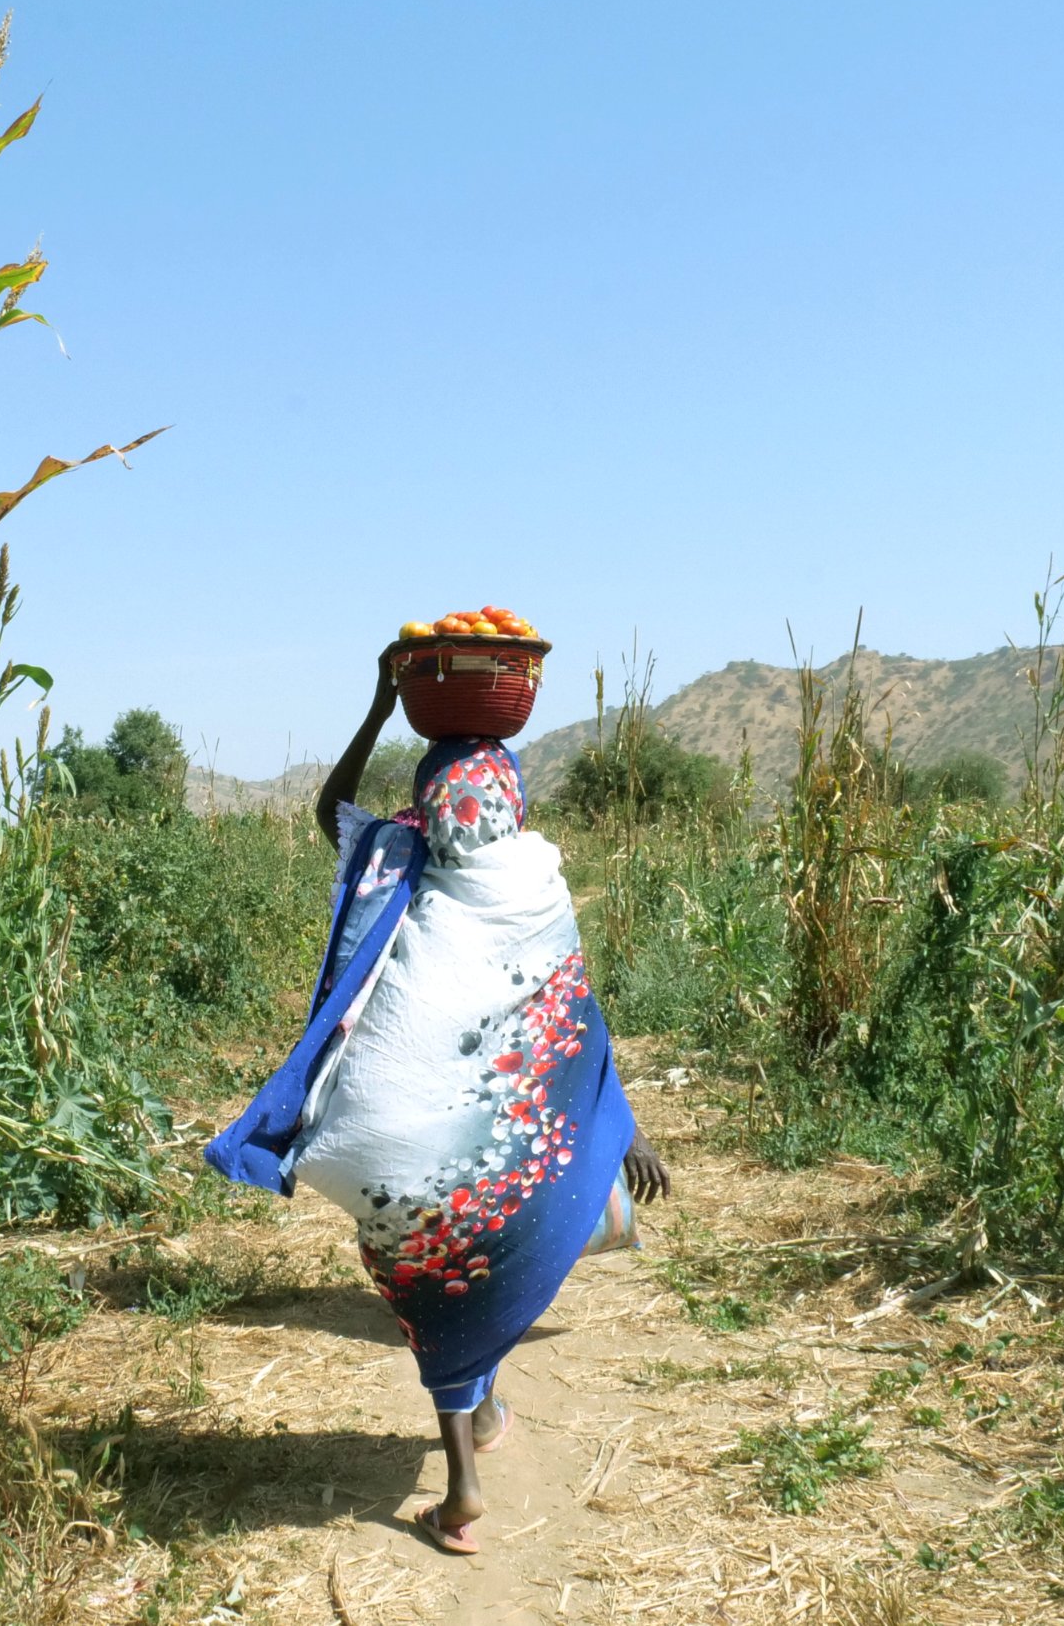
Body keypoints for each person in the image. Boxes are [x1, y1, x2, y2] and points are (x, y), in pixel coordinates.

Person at [205, 648, 669, 1555]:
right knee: (478, 1252)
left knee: (429, 1267)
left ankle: (462, 1487)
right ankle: (482, 1414)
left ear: (428, 805)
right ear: (512, 806)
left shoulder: (397, 860)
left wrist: (379, 708)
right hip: (494, 1159)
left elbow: (325, 810)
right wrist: (622, 1127)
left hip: (407, 1159)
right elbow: (574, 1027)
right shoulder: (532, 885)